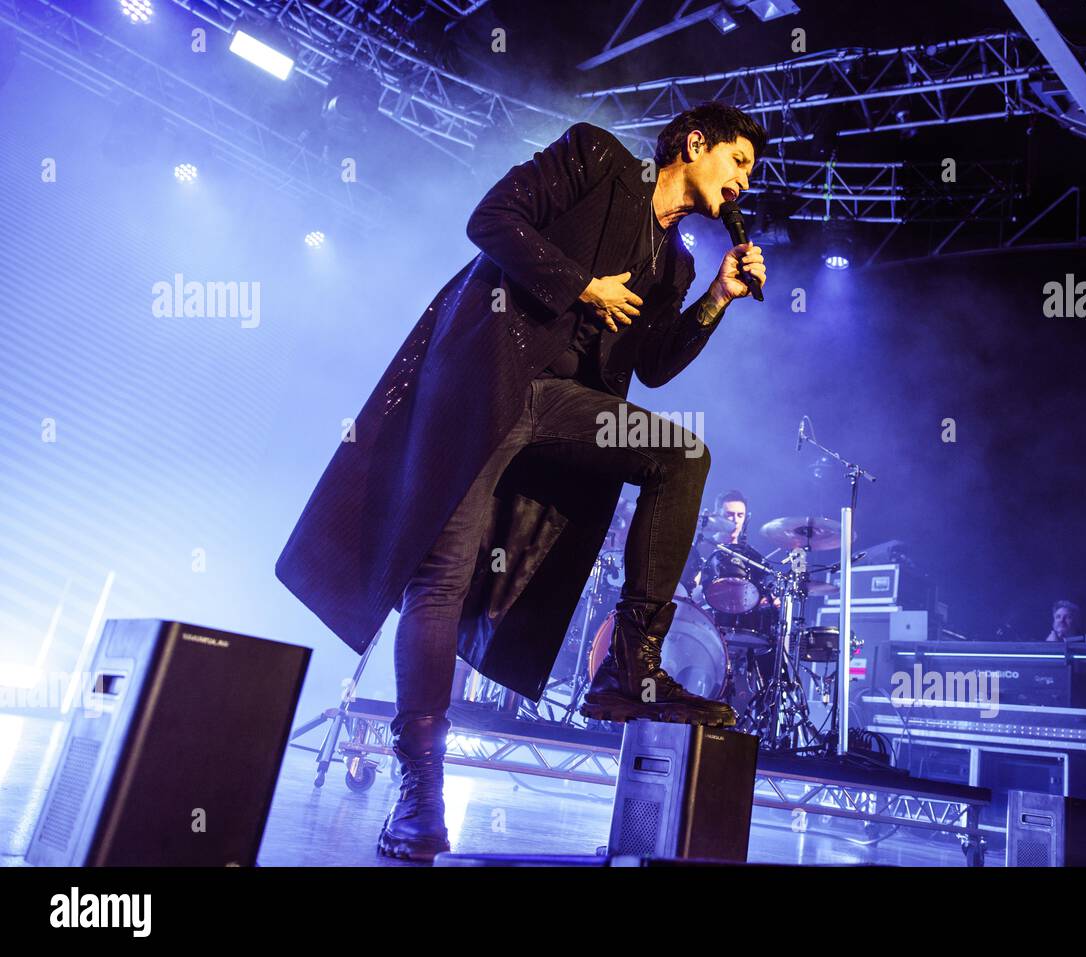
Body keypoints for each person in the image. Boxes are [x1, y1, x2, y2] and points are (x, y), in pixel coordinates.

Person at [274, 103, 767, 860]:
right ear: (693, 143)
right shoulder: (597, 160)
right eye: (737, 162)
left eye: (748, 176)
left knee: (681, 455)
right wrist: (582, 288)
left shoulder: (676, 263)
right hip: (484, 383)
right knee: (438, 580)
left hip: (565, 408)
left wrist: (717, 299)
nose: (741, 183)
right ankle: (419, 796)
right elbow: (491, 219)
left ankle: (628, 665)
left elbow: (657, 363)